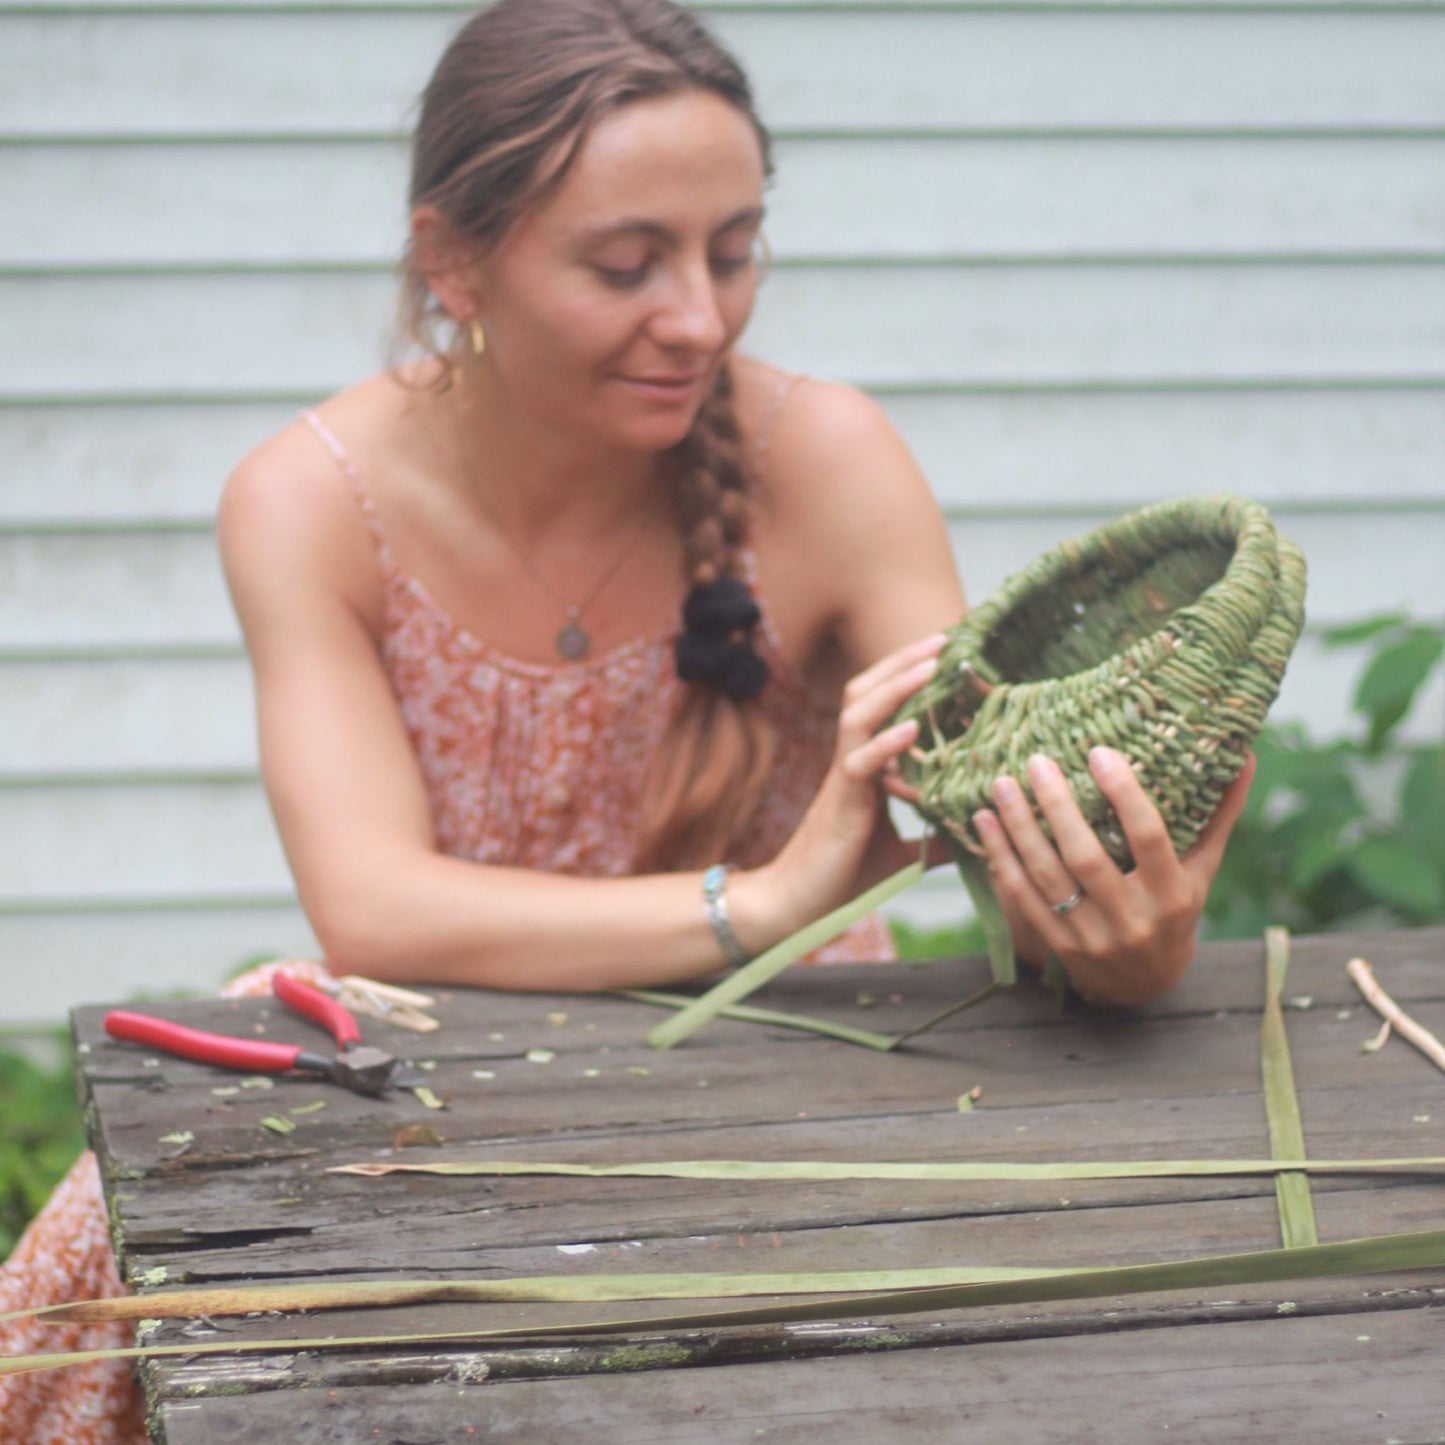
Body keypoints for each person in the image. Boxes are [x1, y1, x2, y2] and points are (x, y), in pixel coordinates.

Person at [0, 1, 1251, 1436]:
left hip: (790, 1052)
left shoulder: (829, 458)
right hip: (425, 1049)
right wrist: (768, 895)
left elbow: (990, 805)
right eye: (624, 263)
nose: (700, 318)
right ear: (450, 260)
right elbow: (372, 908)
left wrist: (1120, 931)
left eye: (733, 248)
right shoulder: (306, 499)